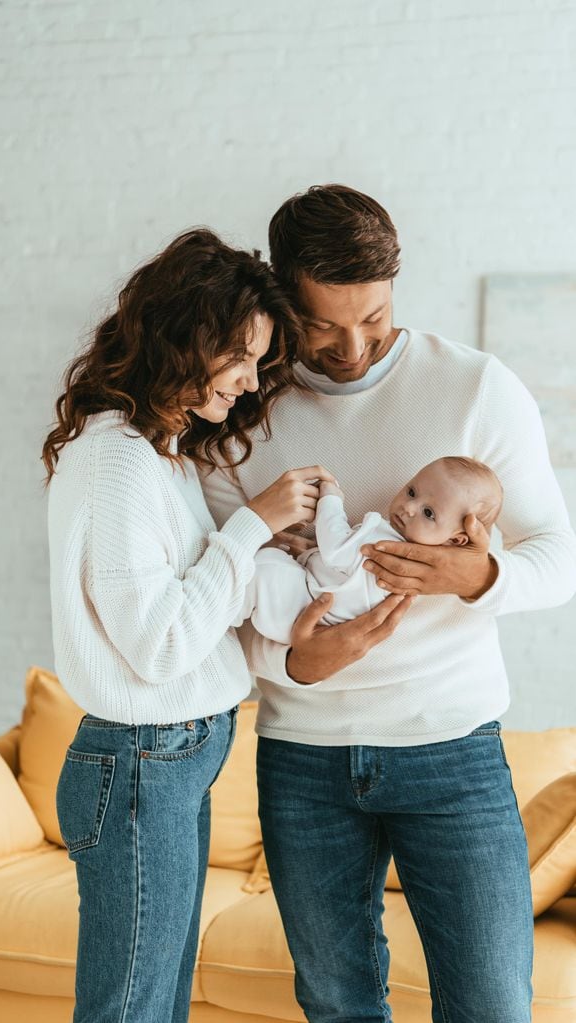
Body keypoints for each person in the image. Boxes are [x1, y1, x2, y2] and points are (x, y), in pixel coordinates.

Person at [200, 186, 576, 1022]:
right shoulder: (238, 410)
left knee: (491, 1005)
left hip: (452, 751)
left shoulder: (478, 387)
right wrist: (295, 660)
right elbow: (227, 593)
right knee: (336, 1004)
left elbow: (560, 556)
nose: (353, 346)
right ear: (280, 296)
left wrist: (475, 578)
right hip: (302, 757)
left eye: (372, 317)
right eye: (323, 325)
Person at [42, 227, 338, 1023]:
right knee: (131, 1010)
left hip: (173, 758)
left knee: (157, 1006)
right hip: (143, 763)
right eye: (239, 356)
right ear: (185, 332)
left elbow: (193, 608)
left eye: (258, 361)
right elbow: (162, 642)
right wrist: (248, 530)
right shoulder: (117, 459)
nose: (248, 381)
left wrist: (267, 554)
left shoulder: (162, 452)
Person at [236, 456, 503, 643]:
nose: (409, 508)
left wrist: (330, 499)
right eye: (412, 492)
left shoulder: (389, 547)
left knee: (264, 566)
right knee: (268, 566)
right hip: (306, 607)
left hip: (298, 606)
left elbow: (336, 550)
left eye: (429, 513)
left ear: (456, 540)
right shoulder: (410, 560)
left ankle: (224, 607)